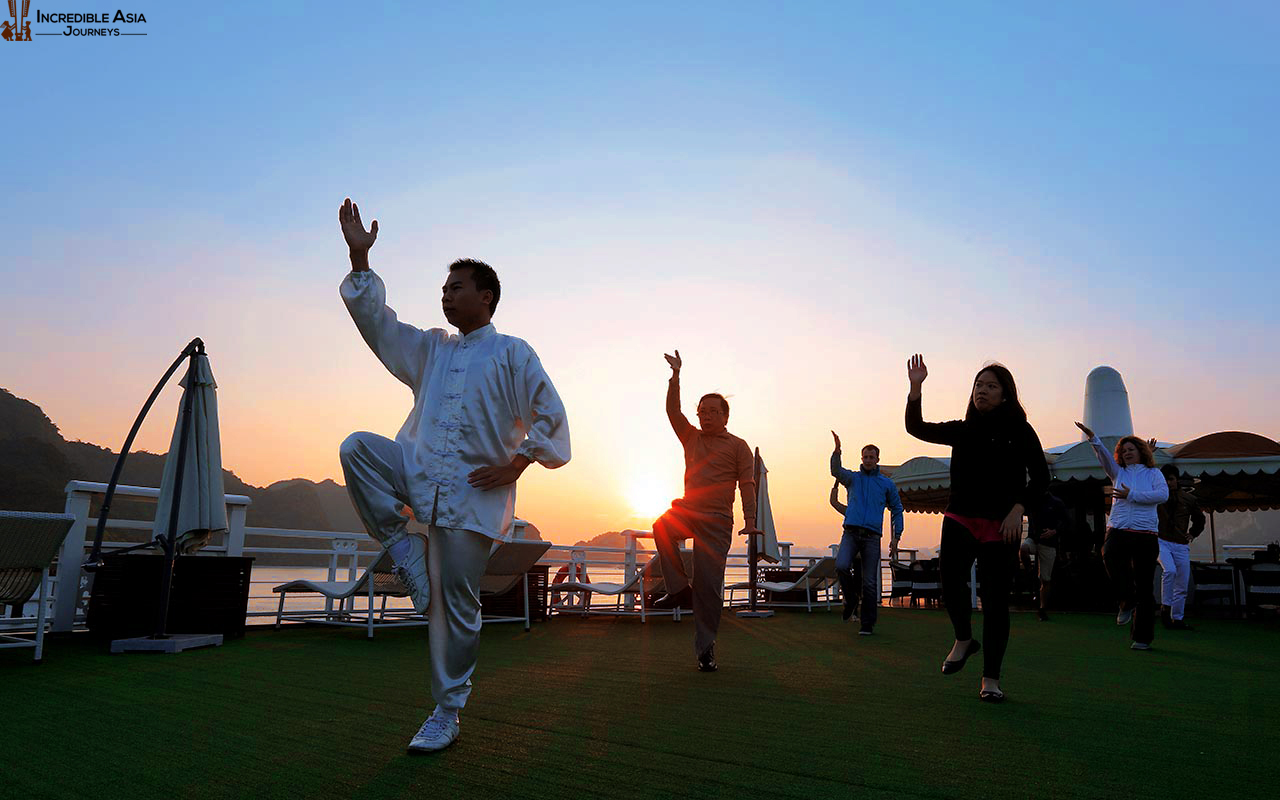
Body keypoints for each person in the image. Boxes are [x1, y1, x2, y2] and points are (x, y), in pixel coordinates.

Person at [336, 198, 571, 752]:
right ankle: (402, 546)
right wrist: (359, 259)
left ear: (485, 295)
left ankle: (447, 709)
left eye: (456, 287)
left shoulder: (513, 354)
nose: (446, 295)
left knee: (456, 606)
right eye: (444, 288)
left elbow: (552, 417)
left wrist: (520, 461)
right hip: (415, 473)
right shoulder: (432, 350)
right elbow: (380, 326)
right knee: (357, 450)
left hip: (473, 501)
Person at [905, 355, 1049, 702]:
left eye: (991, 386)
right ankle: (964, 638)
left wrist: (1018, 508)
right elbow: (917, 428)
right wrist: (916, 387)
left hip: (1001, 525)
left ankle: (991, 679)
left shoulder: (1020, 431)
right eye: (978, 385)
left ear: (1005, 394)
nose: (982, 391)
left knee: (996, 602)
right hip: (960, 517)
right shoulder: (963, 429)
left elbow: (1042, 477)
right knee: (950, 579)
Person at [652, 349, 759, 672]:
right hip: (689, 511)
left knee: (709, 589)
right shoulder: (691, 438)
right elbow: (673, 411)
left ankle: (706, 649)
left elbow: (747, 484)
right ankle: (678, 589)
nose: (706, 415)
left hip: (717, 522)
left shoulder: (738, 446)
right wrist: (675, 377)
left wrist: (750, 520)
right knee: (661, 526)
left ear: (726, 417)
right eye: (702, 411)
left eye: (713, 411)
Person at [1074, 422, 1168, 651]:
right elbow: (1104, 458)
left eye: (1131, 449)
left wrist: (1131, 494)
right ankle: (1126, 600)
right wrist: (1093, 438)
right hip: (1119, 529)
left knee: (1145, 586)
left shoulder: (1154, 473)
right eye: (1123, 450)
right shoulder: (1118, 473)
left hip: (1146, 533)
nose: (1126, 453)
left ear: (1141, 452)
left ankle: (1142, 637)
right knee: (1109, 553)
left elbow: (1162, 495)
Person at [829, 432, 905, 634]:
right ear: (861, 458)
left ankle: (867, 624)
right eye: (865, 457)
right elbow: (835, 470)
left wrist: (896, 537)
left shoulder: (886, 484)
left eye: (872, 457)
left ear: (877, 459)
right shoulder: (853, 478)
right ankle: (852, 599)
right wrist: (837, 451)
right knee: (841, 565)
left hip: (872, 537)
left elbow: (897, 509)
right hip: (851, 533)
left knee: (870, 582)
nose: (868, 460)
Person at [1156, 464, 1205, 630]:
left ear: (1176, 480)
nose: (1168, 483)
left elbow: (1200, 519)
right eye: (1165, 479)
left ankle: (1177, 619)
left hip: (1181, 544)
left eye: (1170, 479)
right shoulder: (1157, 497)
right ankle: (1165, 609)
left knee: (1182, 584)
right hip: (1161, 540)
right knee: (1169, 571)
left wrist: (1193, 533)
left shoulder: (1189, 499)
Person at [1021, 492, 1067, 621]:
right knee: (1023, 549)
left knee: (1045, 579)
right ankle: (1029, 572)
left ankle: (1042, 608)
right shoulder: (1031, 502)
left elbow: (1065, 521)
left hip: (1049, 543)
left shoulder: (1056, 502)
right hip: (1034, 539)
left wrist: (1054, 531)